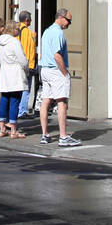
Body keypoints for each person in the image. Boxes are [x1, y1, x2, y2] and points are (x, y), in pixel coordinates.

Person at [38, 8, 81, 147]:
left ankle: (44, 135)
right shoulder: (57, 33)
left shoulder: (47, 31)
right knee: (62, 102)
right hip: (55, 71)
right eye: (68, 20)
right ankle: (63, 136)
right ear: (61, 18)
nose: (69, 23)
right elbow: (57, 55)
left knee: (45, 101)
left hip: (45, 69)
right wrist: (65, 73)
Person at [0, 19, 28, 138]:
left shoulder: (0, 42)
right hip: (15, 72)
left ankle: (2, 128)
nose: (18, 30)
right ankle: (13, 130)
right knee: (15, 100)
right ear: (13, 29)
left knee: (4, 99)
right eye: (17, 28)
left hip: (4, 72)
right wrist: (27, 69)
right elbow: (22, 60)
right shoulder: (14, 42)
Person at [17, 11, 37, 117]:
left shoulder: (15, 31)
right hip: (26, 65)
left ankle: (16, 109)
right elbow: (30, 50)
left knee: (17, 88)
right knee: (26, 88)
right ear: (27, 20)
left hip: (16, 64)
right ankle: (22, 111)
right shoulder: (28, 32)